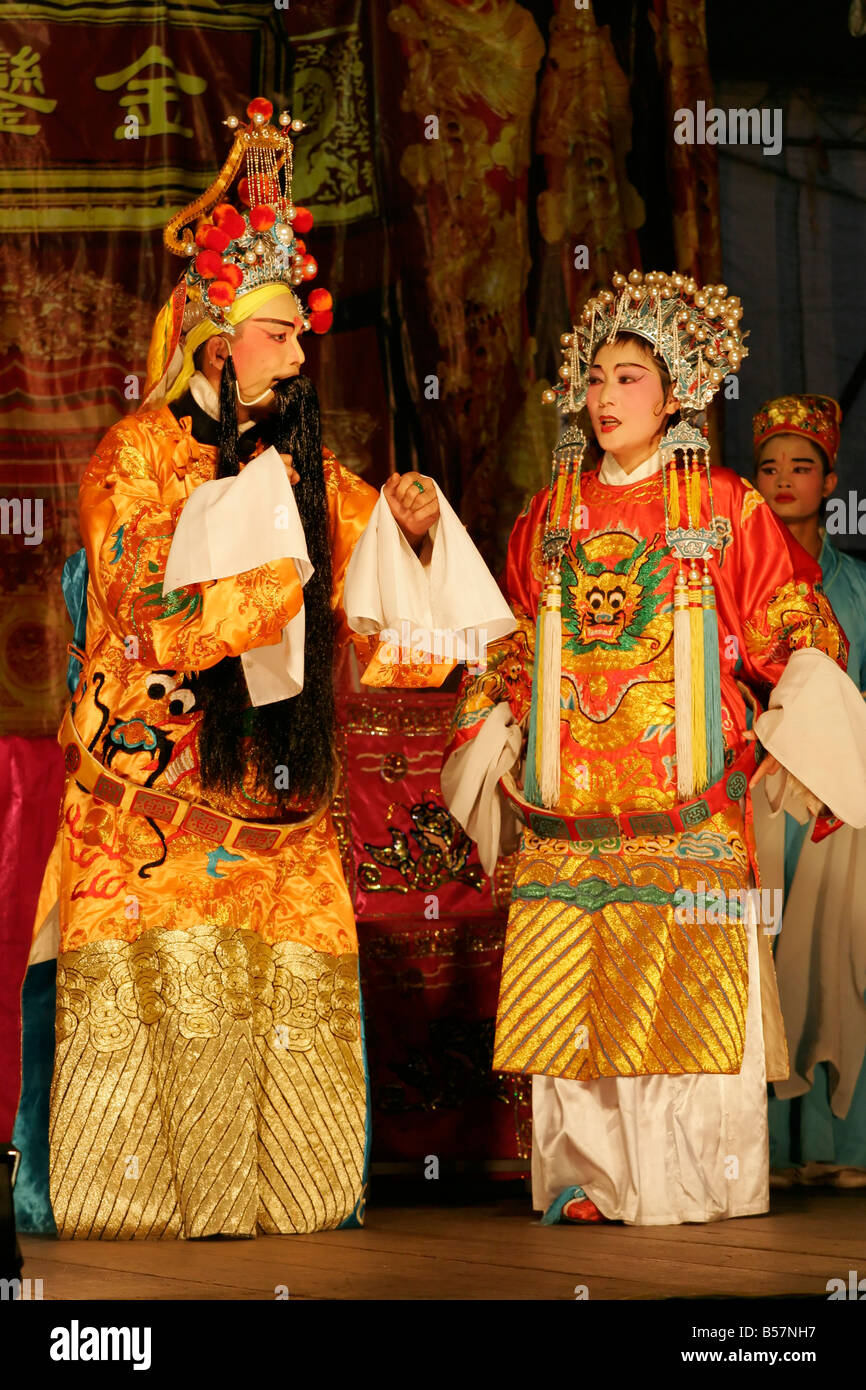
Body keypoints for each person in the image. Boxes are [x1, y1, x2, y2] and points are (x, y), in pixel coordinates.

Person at [19, 97, 511, 1239]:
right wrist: (258, 557)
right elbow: (135, 580)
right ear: (211, 336)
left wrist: (416, 525)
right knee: (176, 980)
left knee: (284, 986)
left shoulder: (306, 459)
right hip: (162, 788)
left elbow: (380, 603)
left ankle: (282, 1193)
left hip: (277, 794)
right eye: (276, 332)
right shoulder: (136, 449)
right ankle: (149, 1197)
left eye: (300, 332)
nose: (298, 350)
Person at [441, 269, 866, 1226]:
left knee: (685, 992)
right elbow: (515, 637)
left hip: (687, 802)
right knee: (574, 995)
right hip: (573, 808)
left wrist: (802, 680)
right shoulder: (551, 513)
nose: (604, 396)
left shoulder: (721, 506)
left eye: (628, 378)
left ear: (674, 394)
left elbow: (784, 618)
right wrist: (495, 716)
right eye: (594, 377)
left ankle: (690, 1180)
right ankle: (589, 1180)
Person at [752, 395, 866, 1188]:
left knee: (839, 970)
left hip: (843, 799)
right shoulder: (736, 579)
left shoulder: (855, 583)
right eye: (768, 467)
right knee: (765, 963)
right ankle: (766, 1148)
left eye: (802, 466)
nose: (784, 480)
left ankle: (838, 1145)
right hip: (758, 797)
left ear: (831, 479)